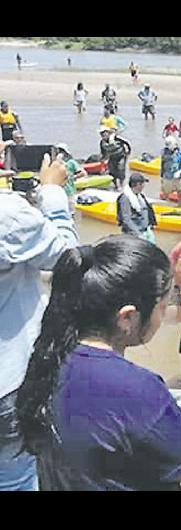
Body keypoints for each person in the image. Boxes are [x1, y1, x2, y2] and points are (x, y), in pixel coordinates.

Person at [16, 235, 181, 490]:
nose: (165, 315)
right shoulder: (136, 387)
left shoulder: (48, 356)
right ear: (127, 317)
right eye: (163, 306)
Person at [0, 155, 76, 491]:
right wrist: (52, 193)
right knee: (16, 479)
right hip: (8, 381)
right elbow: (69, 260)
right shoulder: (8, 215)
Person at [116, 172, 156, 243]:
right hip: (134, 234)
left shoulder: (140, 196)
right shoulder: (125, 199)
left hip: (145, 231)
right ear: (138, 185)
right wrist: (138, 234)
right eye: (142, 183)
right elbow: (126, 219)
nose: (144, 186)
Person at [54, 143, 87, 215]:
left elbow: (83, 173)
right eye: (58, 151)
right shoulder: (56, 163)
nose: (59, 153)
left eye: (61, 151)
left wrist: (72, 177)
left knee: (71, 212)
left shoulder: (71, 163)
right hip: (58, 191)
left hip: (69, 190)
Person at [98, 126, 131, 191]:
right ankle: (116, 186)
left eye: (105, 132)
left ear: (108, 132)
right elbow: (103, 152)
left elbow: (126, 143)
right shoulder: (102, 142)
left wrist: (128, 152)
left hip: (121, 156)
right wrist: (103, 160)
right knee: (112, 172)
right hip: (112, 157)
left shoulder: (116, 138)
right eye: (101, 133)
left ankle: (121, 184)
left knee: (121, 169)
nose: (103, 134)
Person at [160, 135, 181, 202]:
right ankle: (166, 206)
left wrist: (180, 171)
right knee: (165, 193)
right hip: (167, 177)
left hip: (178, 177)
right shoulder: (164, 152)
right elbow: (162, 164)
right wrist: (161, 176)